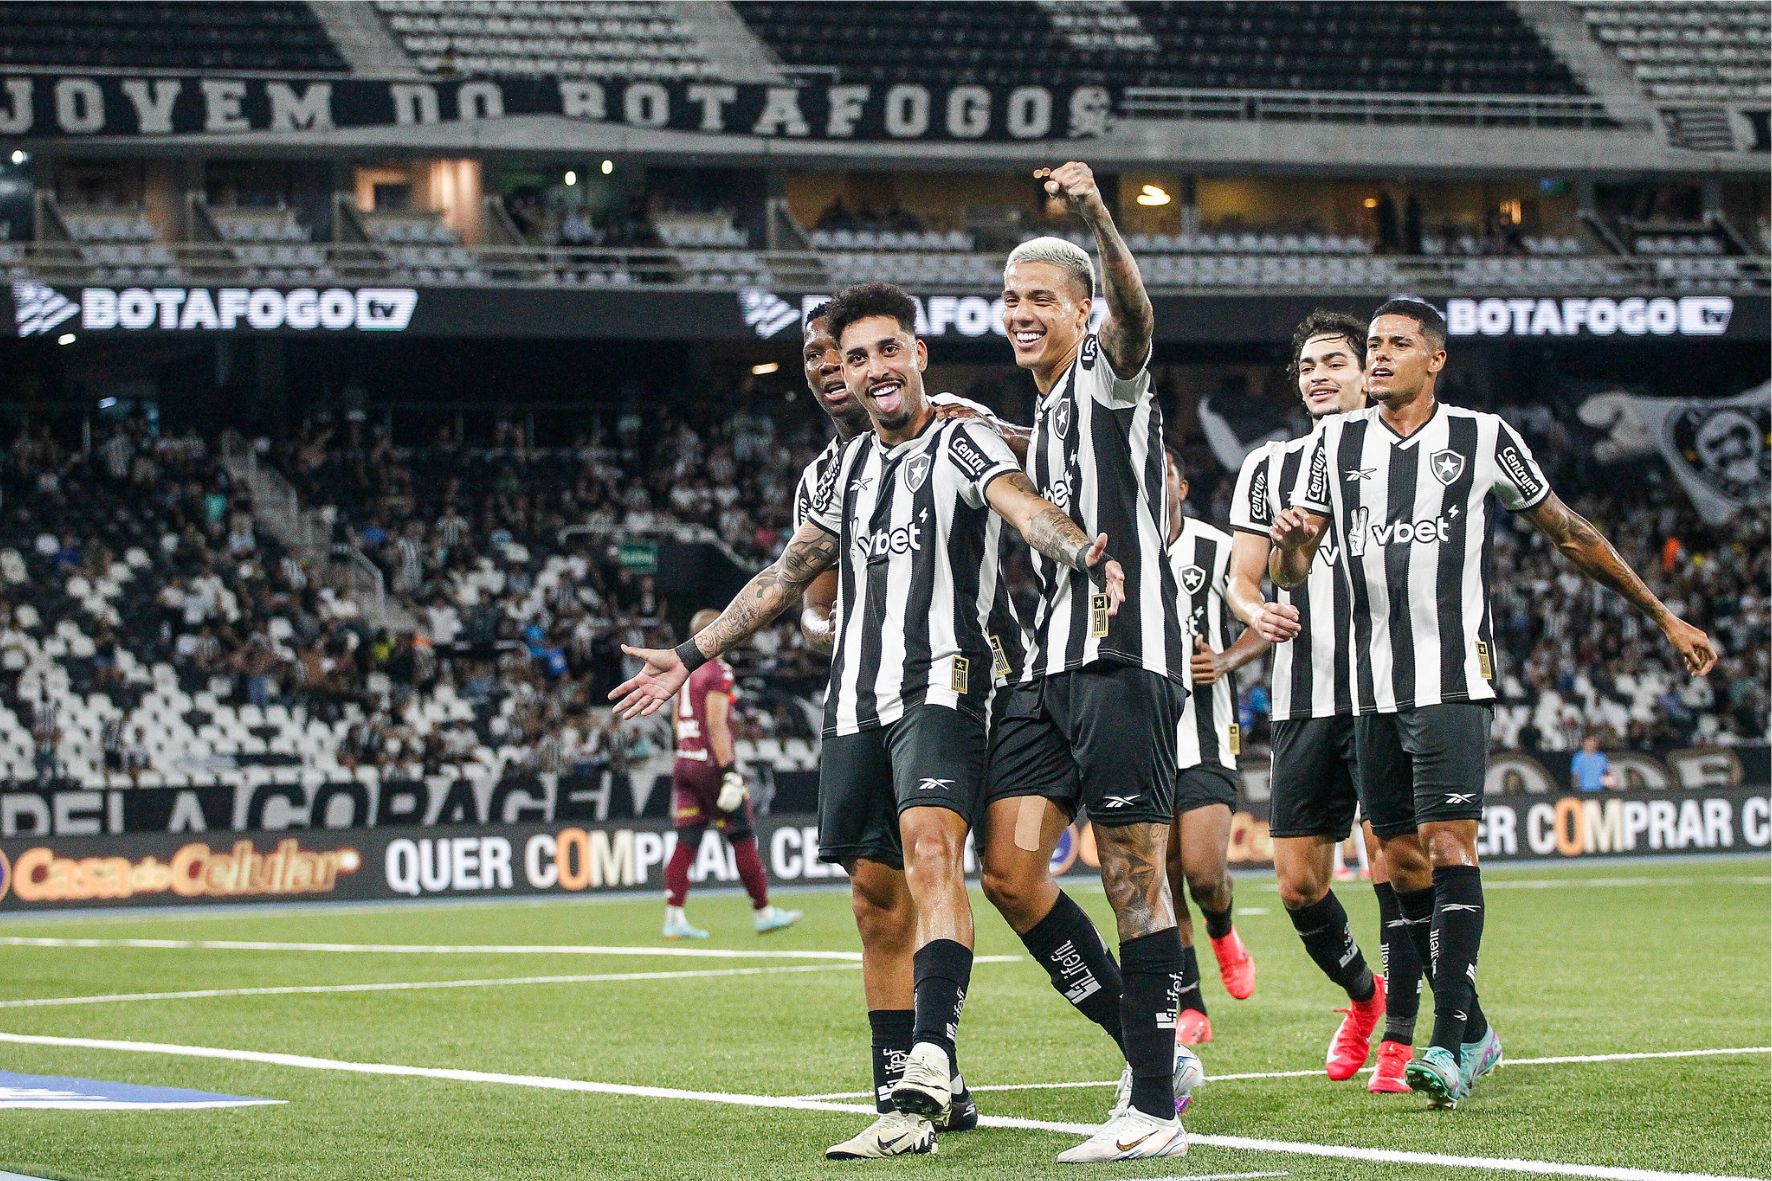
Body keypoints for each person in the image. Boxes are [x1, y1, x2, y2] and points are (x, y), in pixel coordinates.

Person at [610, 280, 1124, 1159]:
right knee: (873, 900)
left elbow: (1023, 504)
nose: (864, 369)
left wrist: (1079, 547)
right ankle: (907, 1099)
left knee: (943, 852)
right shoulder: (832, 473)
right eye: (849, 357)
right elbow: (784, 578)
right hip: (855, 701)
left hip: (954, 683)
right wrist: (692, 655)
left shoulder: (963, 437)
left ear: (917, 354)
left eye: (885, 350)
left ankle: (954, 1053)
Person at [1269, 296, 1718, 1108]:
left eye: (1396, 345)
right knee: (1398, 861)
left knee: (1447, 843)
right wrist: (1296, 548)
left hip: (1450, 678)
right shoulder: (1330, 446)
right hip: (1369, 689)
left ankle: (1445, 1044)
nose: (1377, 358)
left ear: (1434, 359)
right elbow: (1294, 576)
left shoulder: (1481, 439)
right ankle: (1471, 1025)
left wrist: (1660, 612)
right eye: (1372, 345)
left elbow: (1570, 532)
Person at [976, 160, 1191, 1164]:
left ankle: (1152, 1106)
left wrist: (1096, 213)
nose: (1020, 311)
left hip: (1120, 657)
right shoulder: (1043, 414)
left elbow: (1138, 316)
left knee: (1130, 870)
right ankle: (1144, 1047)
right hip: (1043, 672)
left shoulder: (1107, 378)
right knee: (1010, 873)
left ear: (1079, 309)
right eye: (1010, 296)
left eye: (1039, 298)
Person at [1227, 309, 1429, 1096]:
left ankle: (1402, 1037)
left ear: (1366, 372)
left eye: (1335, 362)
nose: (1319, 374)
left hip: (1384, 692)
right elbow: (1246, 581)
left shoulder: (1401, 459)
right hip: (1304, 696)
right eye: (1308, 364)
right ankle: (1364, 998)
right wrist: (1254, 612)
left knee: (1394, 864)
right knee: (1298, 884)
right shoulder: (1266, 467)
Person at [1161, 447, 1267, 1045]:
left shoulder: (1216, 547)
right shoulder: (1117, 549)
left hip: (1204, 733)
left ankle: (1223, 927)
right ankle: (1190, 998)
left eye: (1164, 475)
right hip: (1140, 739)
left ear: (1180, 486)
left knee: (1202, 871)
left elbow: (1268, 615)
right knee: (1161, 877)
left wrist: (1225, 661)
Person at [661, 607, 802, 940]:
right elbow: (715, 724)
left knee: (686, 840)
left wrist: (690, 753)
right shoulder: (717, 670)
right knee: (741, 834)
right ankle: (764, 911)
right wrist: (729, 772)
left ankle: (674, 917)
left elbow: (677, 723)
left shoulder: (684, 670)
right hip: (710, 765)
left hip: (684, 761)